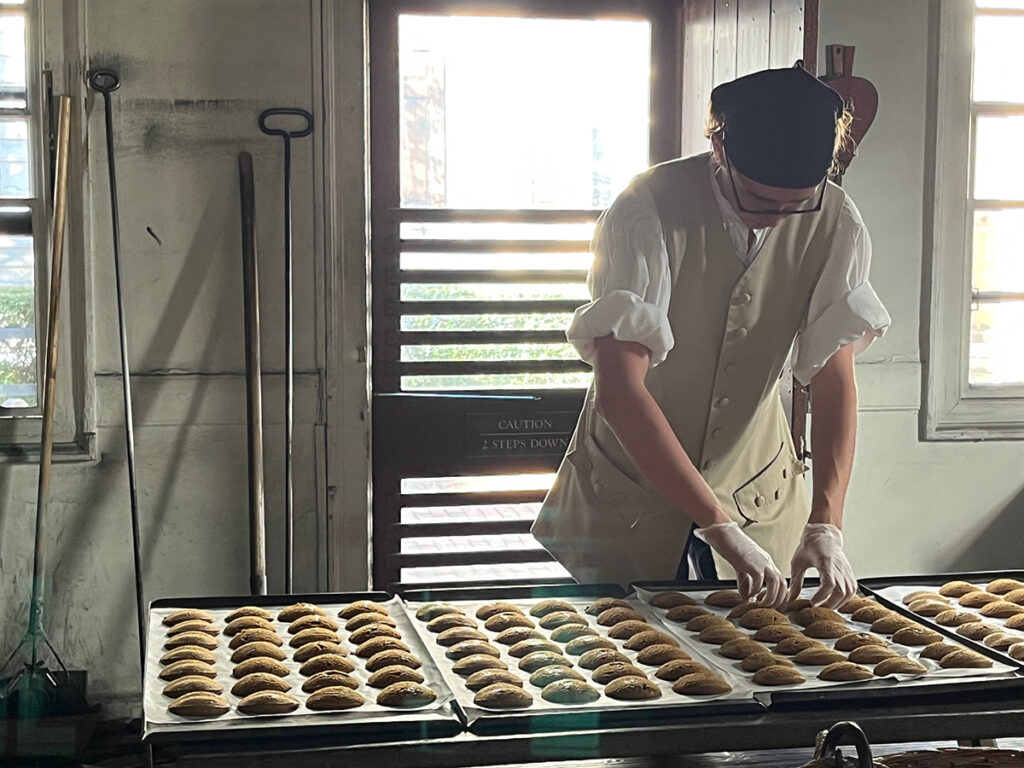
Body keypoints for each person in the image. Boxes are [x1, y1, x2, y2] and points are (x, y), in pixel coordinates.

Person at [531, 65, 890, 609]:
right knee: (631, 658)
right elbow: (621, 390)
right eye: (760, 202)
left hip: (758, 488)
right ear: (719, 146)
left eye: (797, 205)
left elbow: (834, 375)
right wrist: (717, 525)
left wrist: (827, 523)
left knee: (760, 665)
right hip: (631, 492)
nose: (776, 220)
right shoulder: (645, 210)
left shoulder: (837, 220)